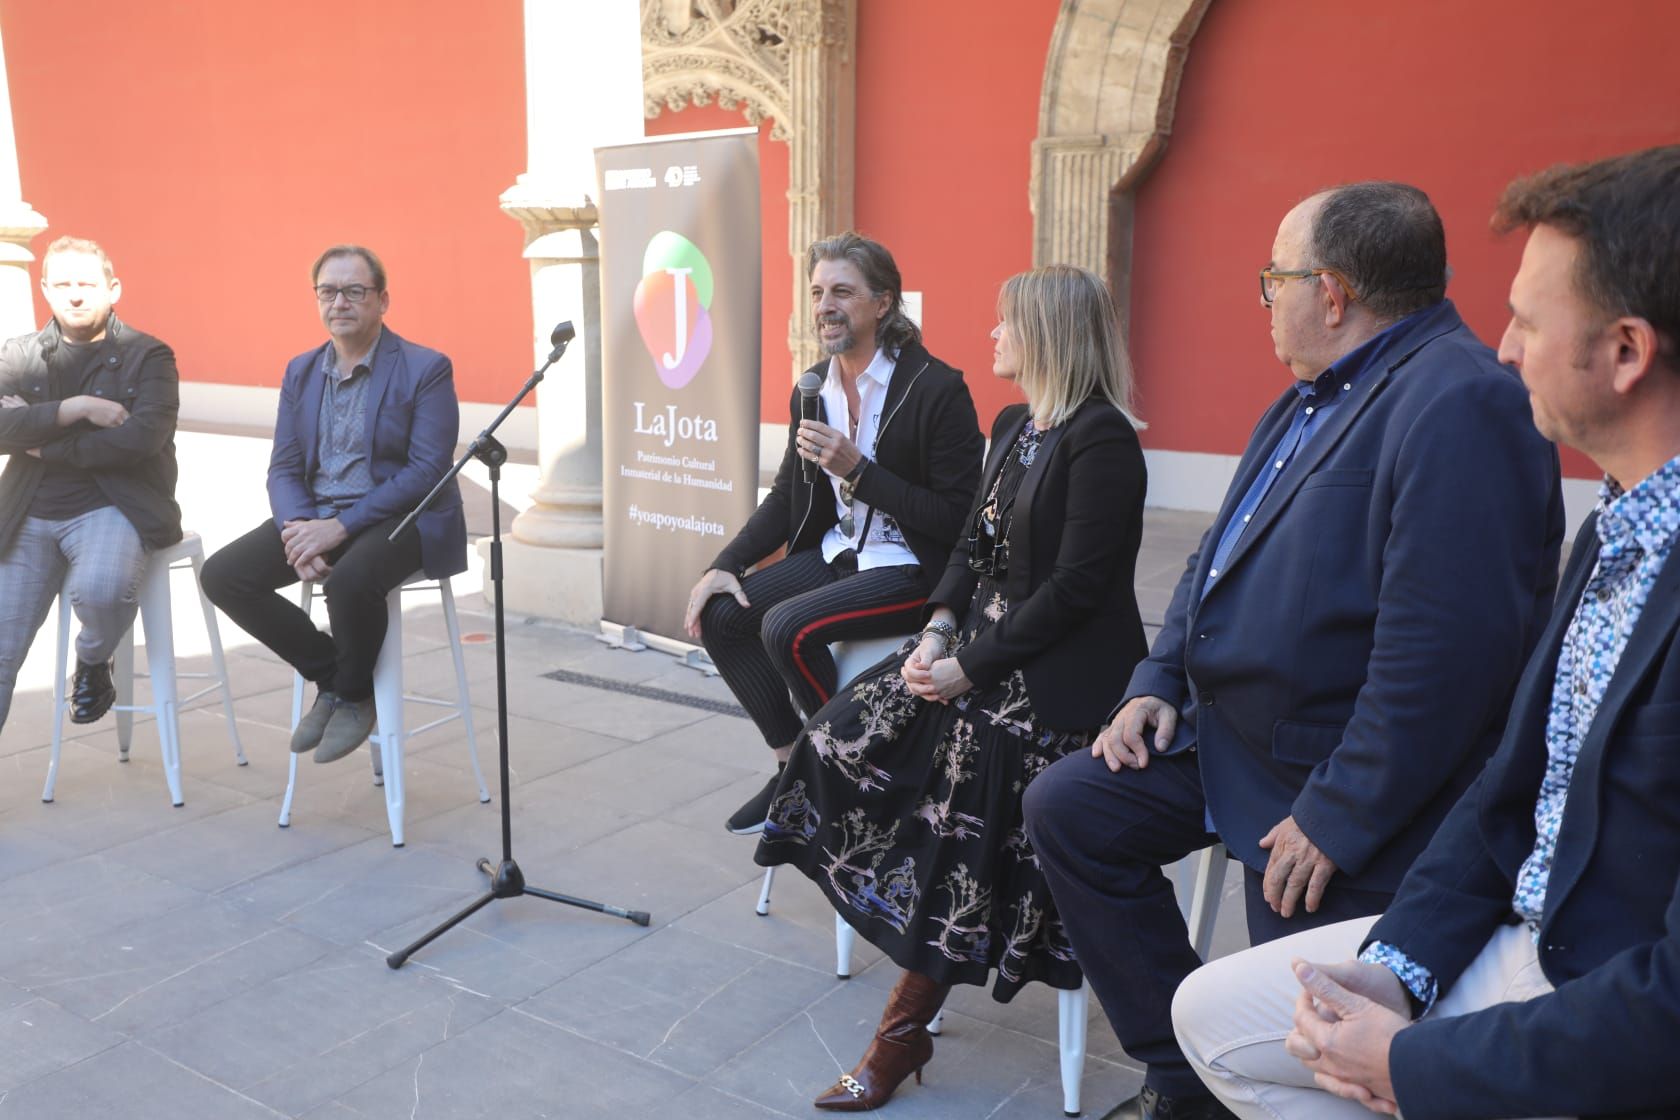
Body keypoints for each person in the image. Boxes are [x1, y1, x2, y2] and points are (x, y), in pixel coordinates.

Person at [1022, 182, 1565, 1120]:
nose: (1267, 300)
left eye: (1273, 279)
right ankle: (1186, 1071)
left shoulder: (1459, 401)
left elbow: (1445, 660)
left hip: (1336, 782)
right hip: (1237, 737)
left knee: (1310, 1029)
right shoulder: (1311, 397)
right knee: (1070, 807)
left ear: (1333, 289)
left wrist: (1340, 813)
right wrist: (1154, 682)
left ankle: (1231, 1074)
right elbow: (1212, 557)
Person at [1172, 145, 1680, 1120]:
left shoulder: (1457, 407)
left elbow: (1439, 663)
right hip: (1505, 932)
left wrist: (1414, 1065)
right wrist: (1399, 968)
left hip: (1604, 999)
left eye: (1528, 321)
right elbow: (1512, 792)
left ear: (1625, 351)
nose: (1503, 346)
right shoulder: (1616, 528)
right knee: (1214, 1015)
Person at [758, 264, 1149, 1111]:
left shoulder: (1103, 440)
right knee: (841, 733)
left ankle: (901, 1033)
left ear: (1046, 334)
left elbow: (1075, 592)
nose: (994, 335)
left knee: (966, 779)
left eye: (1008, 322)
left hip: (1059, 681)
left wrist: (967, 667)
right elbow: (971, 549)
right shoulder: (1016, 424)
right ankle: (908, 922)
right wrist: (937, 632)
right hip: (979, 649)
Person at [684, 232, 984, 835]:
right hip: (841, 553)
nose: (826, 304)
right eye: (818, 291)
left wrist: (860, 473)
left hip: (912, 567)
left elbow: (958, 519)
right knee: (721, 614)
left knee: (786, 627)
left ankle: (845, 771)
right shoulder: (813, 388)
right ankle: (791, 766)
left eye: (843, 291)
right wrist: (728, 562)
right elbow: (789, 496)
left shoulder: (935, 389)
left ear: (883, 303)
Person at [201, 245, 465, 764]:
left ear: (382, 300)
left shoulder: (425, 368)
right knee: (223, 575)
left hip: (401, 515)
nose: (339, 302)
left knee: (348, 581)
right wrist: (298, 527)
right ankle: (337, 681)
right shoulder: (301, 371)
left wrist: (338, 529)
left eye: (354, 291)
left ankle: (350, 693)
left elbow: (426, 471)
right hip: (319, 512)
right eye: (328, 291)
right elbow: (283, 465)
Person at [0, 237, 180, 734]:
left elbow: (139, 440)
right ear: (45, 290)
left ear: (112, 288)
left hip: (113, 504)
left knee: (101, 591)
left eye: (86, 284)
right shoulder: (19, 354)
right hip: (27, 511)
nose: (75, 295)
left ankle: (94, 660)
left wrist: (40, 442)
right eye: (63, 285)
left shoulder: (149, 356)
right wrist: (75, 409)